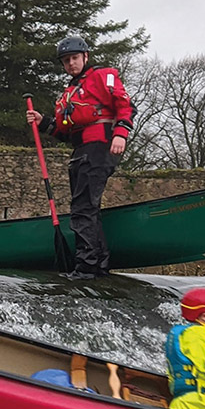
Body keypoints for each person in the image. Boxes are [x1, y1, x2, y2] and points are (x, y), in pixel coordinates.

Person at [25, 35, 135, 280]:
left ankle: (87, 267)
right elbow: (64, 133)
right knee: (84, 207)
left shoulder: (102, 76)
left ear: (85, 56)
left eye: (74, 58)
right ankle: (98, 265)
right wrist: (43, 122)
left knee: (83, 208)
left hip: (100, 147)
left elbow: (126, 106)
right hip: (81, 151)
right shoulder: (70, 92)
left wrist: (121, 134)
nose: (71, 64)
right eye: (66, 61)